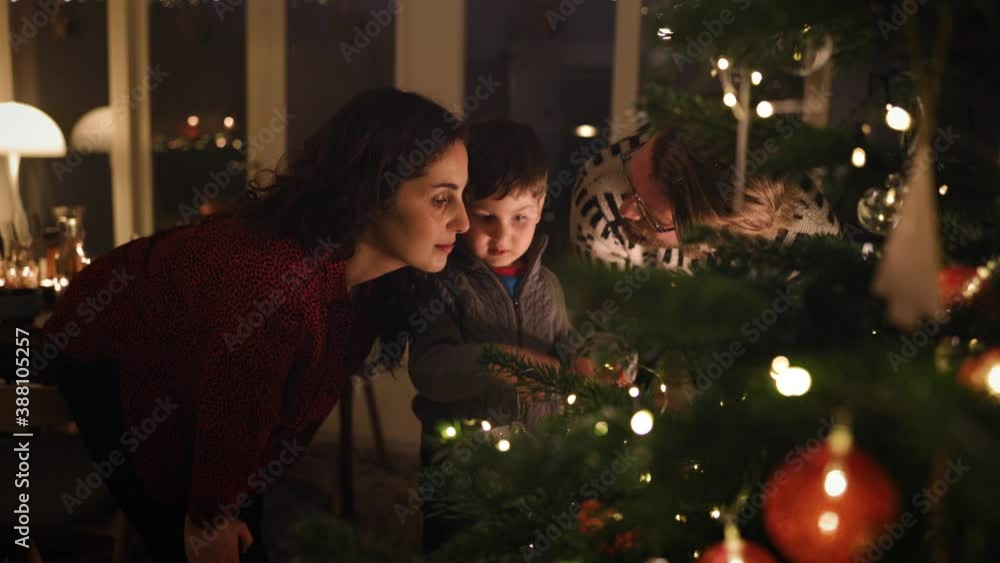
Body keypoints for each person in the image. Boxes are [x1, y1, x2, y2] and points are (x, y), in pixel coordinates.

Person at [40, 88, 471, 563]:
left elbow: (269, 414)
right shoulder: (278, 286)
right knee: (187, 522)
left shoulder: (370, 286)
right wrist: (211, 520)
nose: (464, 221)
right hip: (106, 343)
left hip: (203, 357)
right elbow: (233, 416)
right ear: (373, 194)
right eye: (441, 199)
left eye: (462, 196)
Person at [408, 119, 590, 553]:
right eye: (486, 217)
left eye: (520, 218)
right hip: (460, 473)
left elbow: (567, 344)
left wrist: (584, 361)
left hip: (538, 467)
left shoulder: (548, 286)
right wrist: (499, 362)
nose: (503, 236)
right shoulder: (442, 283)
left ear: (542, 203)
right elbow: (429, 370)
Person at [570, 121, 841, 270]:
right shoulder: (600, 203)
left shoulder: (811, 246)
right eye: (632, 176)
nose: (625, 210)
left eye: (648, 213)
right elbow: (609, 338)